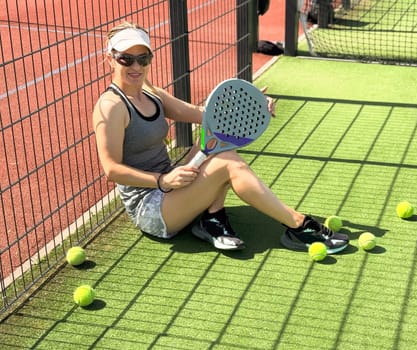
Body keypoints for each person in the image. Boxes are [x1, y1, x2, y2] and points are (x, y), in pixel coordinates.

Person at [92, 21, 348, 253]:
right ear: (111, 59)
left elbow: (206, 116)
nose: (136, 66)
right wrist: (163, 180)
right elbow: (111, 169)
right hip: (150, 208)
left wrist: (253, 106)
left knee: (219, 146)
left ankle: (212, 220)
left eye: (143, 58)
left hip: (170, 187)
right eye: (126, 59)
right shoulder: (111, 106)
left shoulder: (151, 93)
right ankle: (298, 224)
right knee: (227, 163)